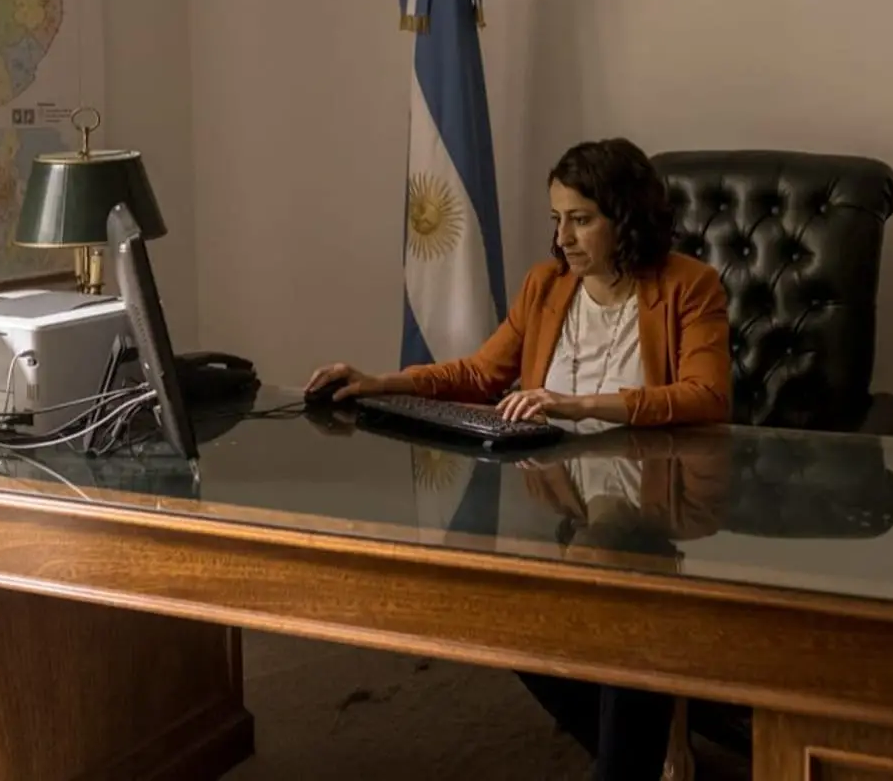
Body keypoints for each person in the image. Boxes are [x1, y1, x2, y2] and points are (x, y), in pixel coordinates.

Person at [307, 137, 732, 781]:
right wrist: (378, 382)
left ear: (628, 216)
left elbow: (706, 396)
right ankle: (634, 745)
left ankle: (625, 760)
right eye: (556, 218)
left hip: (653, 499)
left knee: (619, 602)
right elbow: (481, 374)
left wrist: (574, 402)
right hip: (559, 497)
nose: (562, 237)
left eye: (581, 218)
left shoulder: (687, 286)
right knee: (503, 613)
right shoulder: (546, 287)